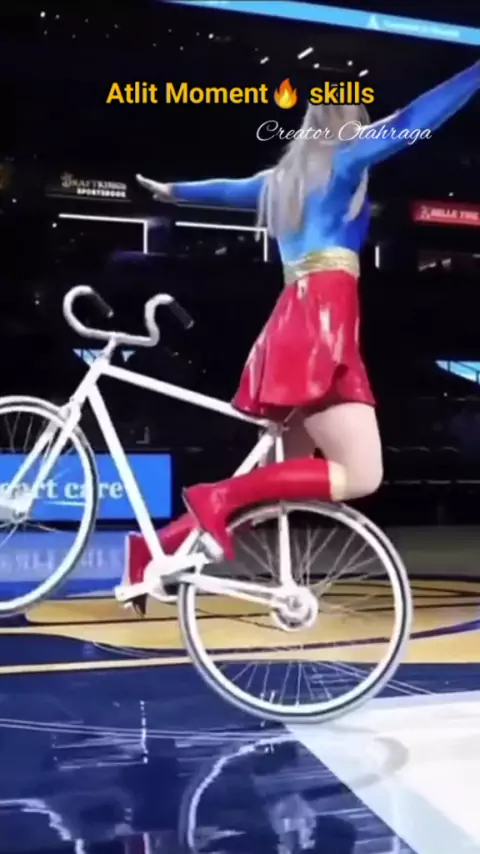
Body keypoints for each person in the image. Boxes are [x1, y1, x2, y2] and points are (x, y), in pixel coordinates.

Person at [122, 61, 480, 615]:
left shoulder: (281, 181)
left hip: (291, 323)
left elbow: (225, 190)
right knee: (361, 474)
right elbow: (416, 119)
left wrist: (172, 191)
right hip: (320, 329)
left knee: (277, 481)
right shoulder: (345, 160)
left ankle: (154, 546)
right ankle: (216, 496)